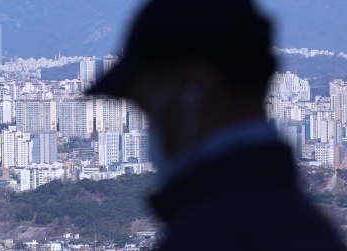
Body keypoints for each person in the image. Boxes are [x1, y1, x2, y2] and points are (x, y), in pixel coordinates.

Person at [87, 0, 346, 250]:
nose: (150, 126)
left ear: (194, 92)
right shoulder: (305, 224)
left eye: (147, 107)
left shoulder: (207, 235)